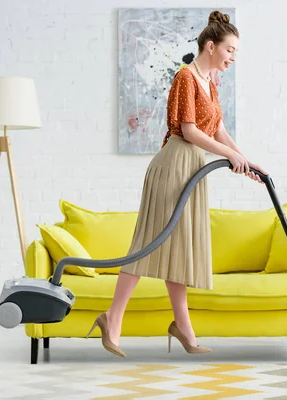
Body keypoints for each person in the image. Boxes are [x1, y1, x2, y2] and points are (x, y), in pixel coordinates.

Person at [87, 10, 268, 357]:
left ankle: (182, 327)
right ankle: (112, 318)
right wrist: (228, 157)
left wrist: (245, 160)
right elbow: (189, 131)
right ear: (211, 46)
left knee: (179, 248)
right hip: (174, 165)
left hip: (193, 168)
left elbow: (218, 131)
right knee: (148, 243)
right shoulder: (186, 77)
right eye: (230, 50)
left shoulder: (210, 82)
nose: (232, 58)